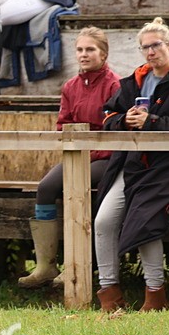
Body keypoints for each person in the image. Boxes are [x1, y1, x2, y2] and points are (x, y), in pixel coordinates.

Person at [94, 18, 169, 312]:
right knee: (103, 221)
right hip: (133, 164)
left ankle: (155, 296)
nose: (150, 52)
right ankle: (109, 295)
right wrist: (125, 120)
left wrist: (152, 121)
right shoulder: (134, 81)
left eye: (156, 45)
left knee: (144, 220)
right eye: (145, 47)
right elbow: (108, 116)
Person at [17, 28, 121, 288]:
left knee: (81, 186)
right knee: (46, 187)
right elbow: (63, 125)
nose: (84, 54)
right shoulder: (70, 87)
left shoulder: (114, 85)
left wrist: (91, 151)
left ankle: (79, 265)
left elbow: (115, 129)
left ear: (103, 54)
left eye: (90, 49)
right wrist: (76, 147)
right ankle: (46, 265)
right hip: (77, 155)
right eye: (80, 50)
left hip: (107, 158)